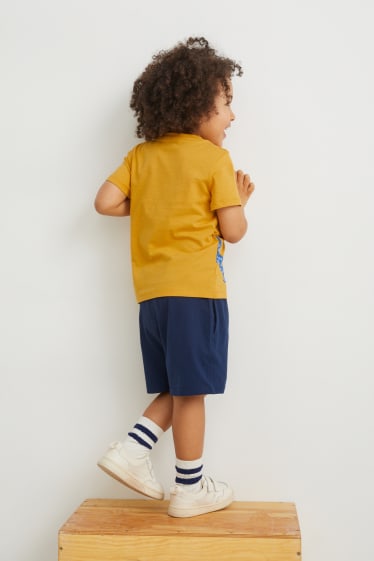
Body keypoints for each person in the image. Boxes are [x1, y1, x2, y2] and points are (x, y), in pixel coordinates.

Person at [94, 36, 255, 518]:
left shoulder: (142, 157)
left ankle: (139, 454)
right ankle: (186, 486)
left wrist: (152, 204)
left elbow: (105, 202)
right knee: (192, 390)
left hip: (153, 299)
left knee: (182, 385)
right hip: (197, 292)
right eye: (227, 104)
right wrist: (240, 204)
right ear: (199, 107)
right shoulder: (213, 160)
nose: (232, 116)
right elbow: (234, 231)